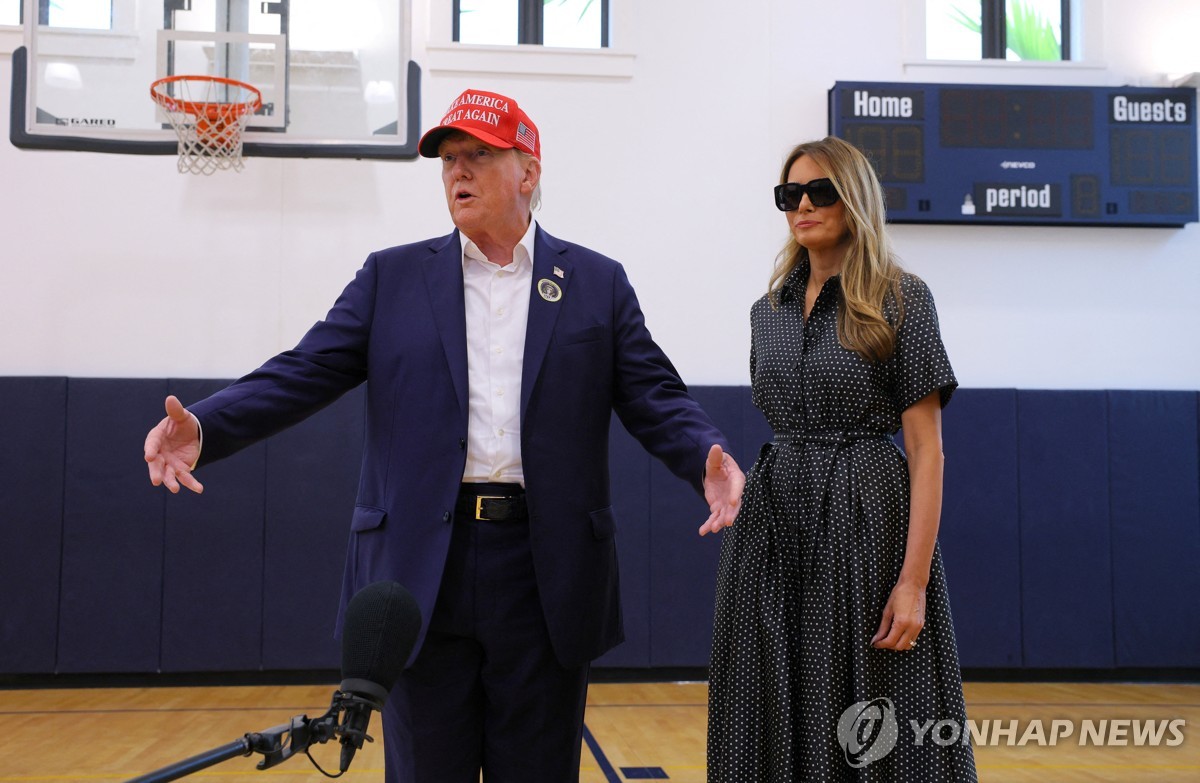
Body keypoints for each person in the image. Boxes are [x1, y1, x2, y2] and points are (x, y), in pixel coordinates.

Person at [143, 88, 745, 783]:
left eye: (478, 156)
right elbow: (303, 371)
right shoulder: (391, 277)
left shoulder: (595, 284)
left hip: (544, 572)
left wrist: (704, 455)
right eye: (449, 159)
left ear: (528, 172)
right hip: (419, 571)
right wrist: (208, 424)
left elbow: (653, 394)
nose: (457, 172)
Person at [706, 136, 978, 781]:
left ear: (855, 200)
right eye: (789, 194)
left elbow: (927, 451)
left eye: (819, 191)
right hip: (774, 523)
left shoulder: (901, 298)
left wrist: (911, 583)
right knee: (760, 691)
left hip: (864, 520)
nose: (802, 205)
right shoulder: (765, 312)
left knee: (871, 711)